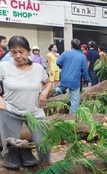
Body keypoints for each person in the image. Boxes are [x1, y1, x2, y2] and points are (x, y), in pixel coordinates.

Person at [0, 35, 52, 169]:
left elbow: (48, 83)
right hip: (10, 111)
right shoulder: (4, 66)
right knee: (11, 147)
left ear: (28, 52)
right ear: (10, 52)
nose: (18, 56)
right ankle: (13, 157)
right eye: (14, 52)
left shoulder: (38, 68)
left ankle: (45, 167)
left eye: (21, 51)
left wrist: (44, 93)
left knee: (43, 144)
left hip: (35, 111)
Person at [50, 38, 89, 114]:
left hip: (65, 78)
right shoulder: (82, 57)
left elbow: (58, 62)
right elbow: (85, 70)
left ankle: (52, 92)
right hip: (75, 80)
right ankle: (72, 118)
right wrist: (86, 80)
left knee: (62, 88)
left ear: (71, 45)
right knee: (74, 101)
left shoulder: (66, 53)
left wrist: (64, 67)